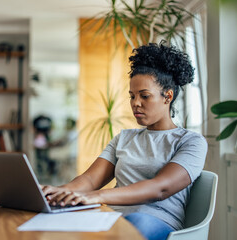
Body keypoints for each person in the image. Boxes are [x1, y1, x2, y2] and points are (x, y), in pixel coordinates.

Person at [42, 42, 207, 240]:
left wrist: (97, 196)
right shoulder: (124, 138)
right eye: (132, 96)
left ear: (167, 96)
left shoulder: (191, 142)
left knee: (134, 224)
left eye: (144, 96)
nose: (135, 103)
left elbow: (159, 188)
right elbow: (90, 179)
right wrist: (59, 192)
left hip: (155, 223)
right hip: (110, 218)